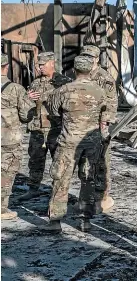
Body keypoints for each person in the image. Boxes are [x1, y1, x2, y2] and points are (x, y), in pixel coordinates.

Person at [42, 55, 108, 232]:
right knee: (88, 180)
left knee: (61, 179)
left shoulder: (62, 90)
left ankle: (55, 221)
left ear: (74, 70)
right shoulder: (100, 91)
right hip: (91, 143)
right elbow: (105, 115)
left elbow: (54, 113)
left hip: (68, 141)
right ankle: (85, 220)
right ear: (89, 70)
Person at [18, 52, 72, 201]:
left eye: (43, 64)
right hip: (37, 129)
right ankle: (33, 188)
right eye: (39, 65)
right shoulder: (35, 83)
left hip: (56, 129)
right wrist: (27, 98)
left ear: (52, 63)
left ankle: (58, 192)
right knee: (35, 160)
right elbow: (28, 105)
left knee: (58, 161)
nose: (40, 67)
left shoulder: (64, 82)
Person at [80, 45, 117, 212]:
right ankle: (86, 196)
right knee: (85, 163)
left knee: (101, 163)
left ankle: (102, 197)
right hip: (84, 125)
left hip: (99, 125)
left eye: (89, 56)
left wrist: (104, 123)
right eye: (84, 56)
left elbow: (111, 104)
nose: (87, 59)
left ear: (96, 59)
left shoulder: (104, 77)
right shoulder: (81, 74)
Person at [1, 54, 35, 219]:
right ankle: (1, 208)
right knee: (7, 172)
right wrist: (28, 100)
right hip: (9, 139)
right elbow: (25, 116)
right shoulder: (15, 88)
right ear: (6, 67)